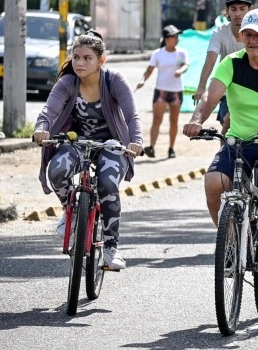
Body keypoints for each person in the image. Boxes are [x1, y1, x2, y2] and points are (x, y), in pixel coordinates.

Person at [182, 8, 258, 267]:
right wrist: (196, 121)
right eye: (247, 34)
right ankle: (230, 240)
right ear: (240, 36)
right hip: (240, 141)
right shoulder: (232, 63)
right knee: (213, 183)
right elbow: (210, 97)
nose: (253, 40)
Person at [33, 31, 143, 270]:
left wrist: (136, 140)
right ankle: (69, 210)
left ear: (101, 60)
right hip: (77, 141)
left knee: (107, 183)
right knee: (57, 170)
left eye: (87, 58)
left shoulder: (114, 81)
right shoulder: (68, 83)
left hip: (111, 144)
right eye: (76, 57)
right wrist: (41, 129)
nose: (80, 63)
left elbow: (132, 116)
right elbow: (48, 112)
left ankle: (111, 248)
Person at [193, 0, 252, 134]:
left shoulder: (257, 34)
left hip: (254, 90)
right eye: (233, 9)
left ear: (250, 10)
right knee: (228, 121)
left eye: (242, 8)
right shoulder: (220, 33)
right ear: (227, 11)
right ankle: (225, 155)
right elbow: (211, 58)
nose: (238, 13)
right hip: (228, 92)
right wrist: (201, 86)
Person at [135, 25, 189, 159]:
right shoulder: (158, 54)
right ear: (166, 39)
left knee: (174, 120)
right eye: (173, 36)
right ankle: (152, 147)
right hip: (161, 91)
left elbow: (185, 65)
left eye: (177, 36)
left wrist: (180, 71)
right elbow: (149, 70)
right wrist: (143, 80)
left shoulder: (181, 53)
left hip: (176, 91)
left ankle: (171, 148)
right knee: (157, 120)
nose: (176, 39)